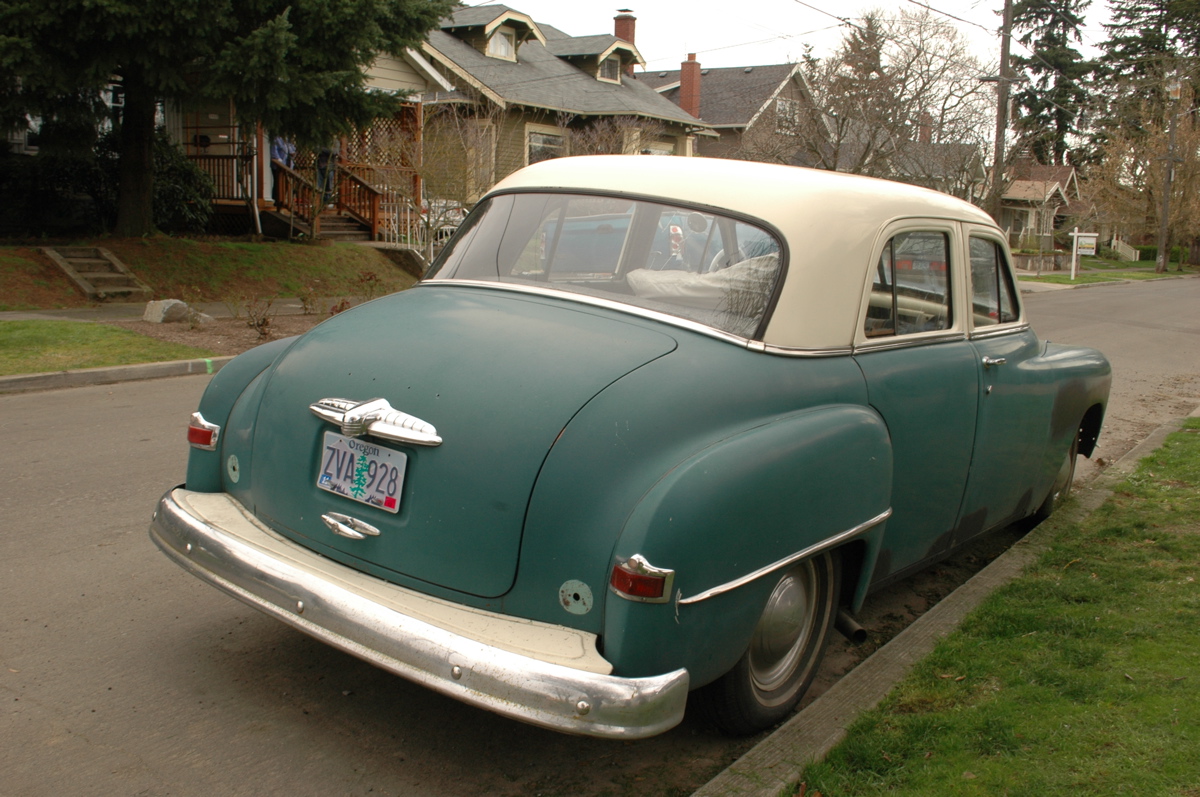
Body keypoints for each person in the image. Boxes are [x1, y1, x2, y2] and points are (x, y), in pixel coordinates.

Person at [270, 136, 295, 210]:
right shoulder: (276, 139)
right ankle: (277, 200)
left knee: (286, 183)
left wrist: (292, 153)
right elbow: (274, 153)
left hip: (288, 166)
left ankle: (283, 199)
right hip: (278, 166)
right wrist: (280, 162)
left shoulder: (288, 140)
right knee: (278, 183)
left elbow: (292, 150)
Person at [316, 142, 339, 208]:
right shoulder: (320, 140)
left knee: (329, 185)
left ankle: (327, 201)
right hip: (320, 165)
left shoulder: (335, 141)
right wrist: (327, 149)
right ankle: (319, 202)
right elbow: (315, 149)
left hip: (330, 166)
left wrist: (323, 149)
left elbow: (334, 152)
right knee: (319, 185)